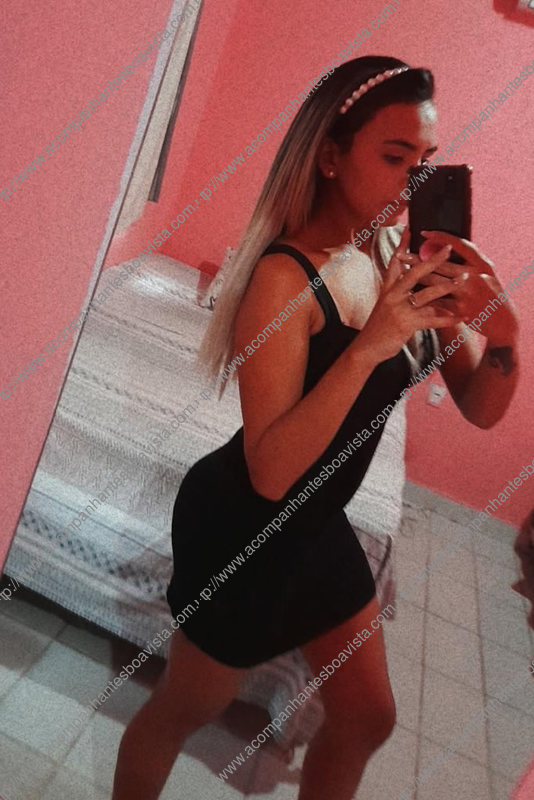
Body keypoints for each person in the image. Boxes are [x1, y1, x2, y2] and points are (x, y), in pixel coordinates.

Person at [112, 55, 519, 800]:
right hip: (243, 529)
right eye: (395, 158)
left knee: (367, 718)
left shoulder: (402, 255)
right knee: (183, 709)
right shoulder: (284, 279)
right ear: (331, 156)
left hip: (317, 523)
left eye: (426, 161)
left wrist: (504, 331)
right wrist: (369, 345)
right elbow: (270, 472)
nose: (414, 182)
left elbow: (482, 406)